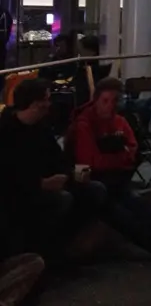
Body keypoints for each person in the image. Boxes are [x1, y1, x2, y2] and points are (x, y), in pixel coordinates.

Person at [70, 77, 151, 261]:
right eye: (105, 101)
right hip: (93, 182)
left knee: (137, 203)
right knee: (119, 213)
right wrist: (118, 157)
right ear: (96, 100)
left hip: (115, 180)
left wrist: (113, 158)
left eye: (115, 101)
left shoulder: (120, 122)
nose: (110, 106)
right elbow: (91, 161)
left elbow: (132, 152)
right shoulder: (84, 124)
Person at [0, 79, 105, 259]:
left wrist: (68, 174)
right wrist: (40, 184)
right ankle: (43, 254)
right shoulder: (6, 131)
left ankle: (59, 248)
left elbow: (58, 157)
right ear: (35, 104)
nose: (49, 104)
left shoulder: (41, 127)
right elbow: (7, 175)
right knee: (60, 200)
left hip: (49, 182)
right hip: (21, 190)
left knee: (96, 191)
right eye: (46, 100)